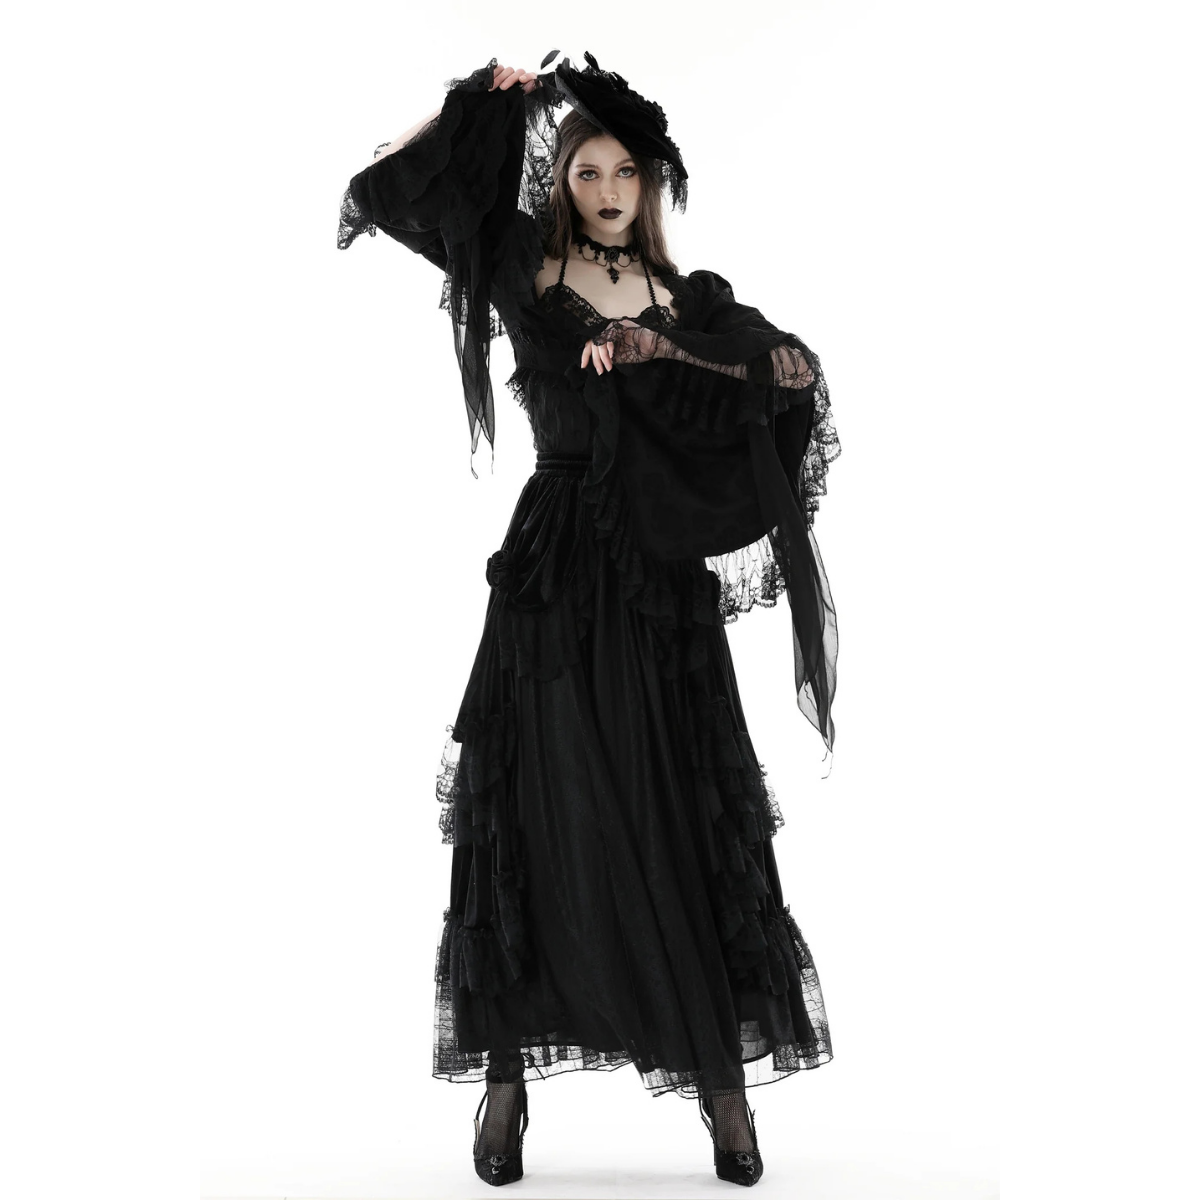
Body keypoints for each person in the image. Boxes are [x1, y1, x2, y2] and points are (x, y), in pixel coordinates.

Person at [337, 50, 841, 1188]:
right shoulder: (522, 270)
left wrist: (673, 349)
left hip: (658, 582)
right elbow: (386, 192)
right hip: (557, 572)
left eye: (626, 172)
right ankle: (506, 1084)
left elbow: (789, 372)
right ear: (560, 181)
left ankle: (723, 1092)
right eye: (587, 172)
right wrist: (479, 96)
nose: (609, 190)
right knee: (538, 807)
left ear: (651, 184)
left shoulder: (692, 298)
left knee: (680, 807)